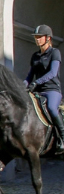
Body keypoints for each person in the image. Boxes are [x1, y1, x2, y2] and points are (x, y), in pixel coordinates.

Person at [25, 25, 64, 155]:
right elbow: (30, 76)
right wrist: (22, 86)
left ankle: (62, 138)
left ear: (47, 38)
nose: (37, 39)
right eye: (36, 37)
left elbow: (53, 73)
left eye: (39, 37)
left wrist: (37, 82)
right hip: (38, 91)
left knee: (52, 108)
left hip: (52, 90)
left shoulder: (55, 52)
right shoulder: (35, 56)